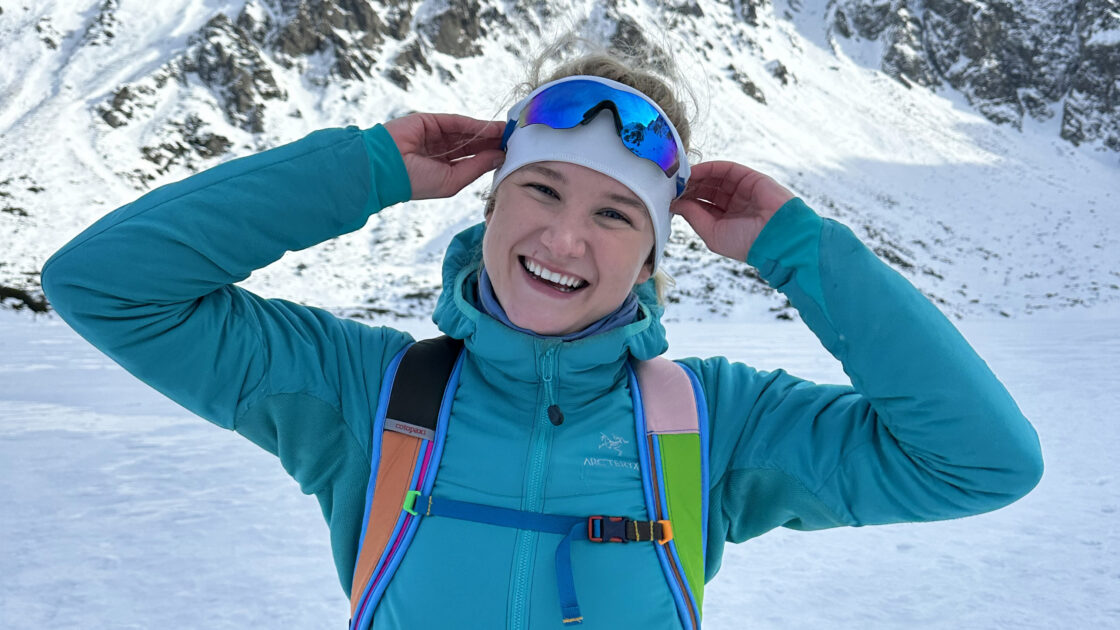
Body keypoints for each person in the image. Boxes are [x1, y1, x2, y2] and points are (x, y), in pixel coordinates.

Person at [41, 38, 1043, 629]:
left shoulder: (712, 425)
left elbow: (981, 462)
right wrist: (366, 167)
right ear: (488, 208)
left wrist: (800, 250)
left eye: (616, 216)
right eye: (542, 189)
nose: (565, 235)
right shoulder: (365, 395)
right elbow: (107, 285)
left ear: (650, 261)